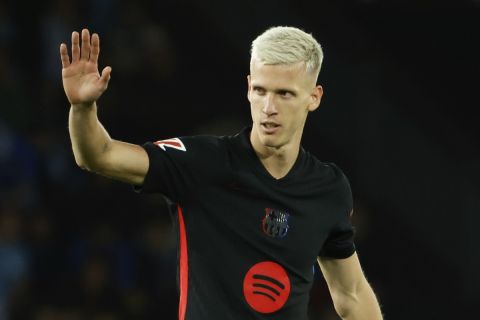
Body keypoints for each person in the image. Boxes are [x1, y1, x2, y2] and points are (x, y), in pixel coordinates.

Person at [60, 26, 383, 320]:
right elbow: (99, 155)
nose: (269, 107)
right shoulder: (202, 162)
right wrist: (83, 108)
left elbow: (351, 295)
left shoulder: (328, 188)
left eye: (284, 94)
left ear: (314, 98)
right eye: (260, 90)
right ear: (247, 88)